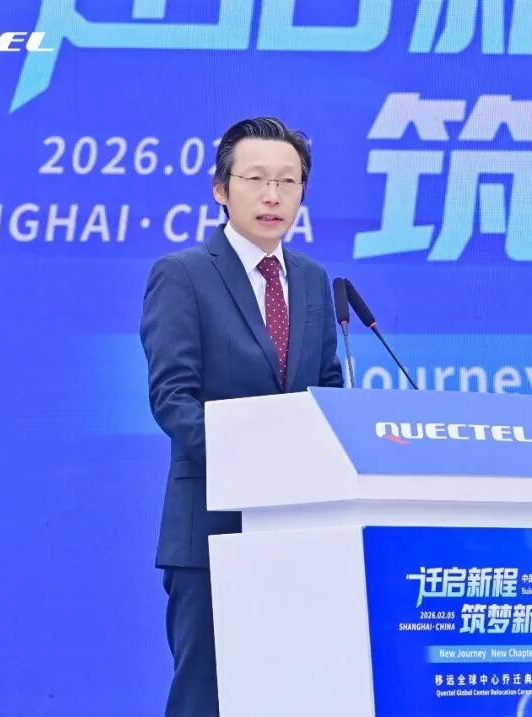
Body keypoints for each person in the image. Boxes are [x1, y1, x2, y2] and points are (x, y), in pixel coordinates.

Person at [139, 117, 344, 717]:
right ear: (221, 189)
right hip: (212, 528)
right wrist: (257, 465)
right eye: (255, 179)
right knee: (206, 696)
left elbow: (326, 389)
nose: (272, 195)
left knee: (290, 693)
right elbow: (174, 398)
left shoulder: (311, 279)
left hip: (300, 529)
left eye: (288, 181)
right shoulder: (183, 274)